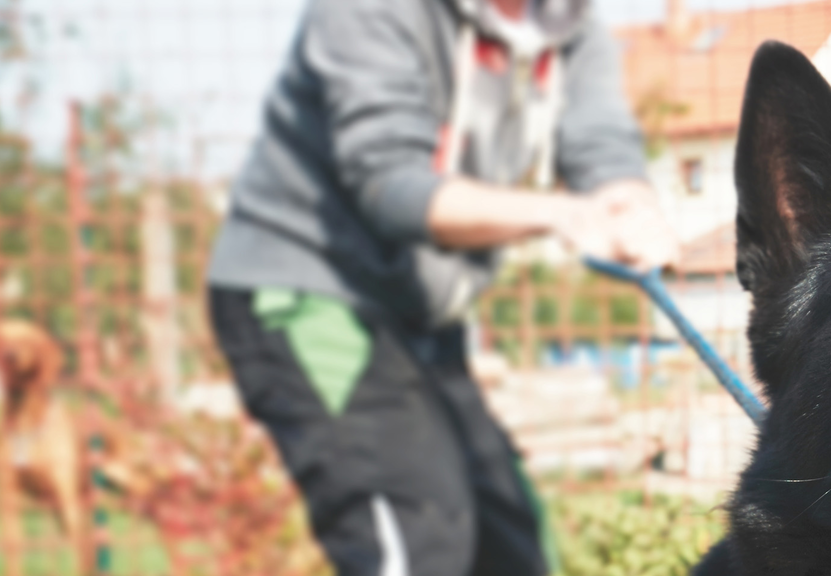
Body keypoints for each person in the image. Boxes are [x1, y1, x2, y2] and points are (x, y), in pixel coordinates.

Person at [204, 0, 676, 573]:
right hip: (308, 289)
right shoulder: (369, 11)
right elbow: (392, 186)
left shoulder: (568, 23)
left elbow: (600, 143)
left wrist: (628, 204)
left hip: (420, 310)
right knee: (415, 535)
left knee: (513, 548)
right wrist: (562, 214)